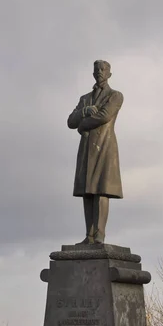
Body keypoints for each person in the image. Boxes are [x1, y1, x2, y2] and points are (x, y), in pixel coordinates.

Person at [67, 60, 124, 244]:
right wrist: (84, 111)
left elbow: (104, 116)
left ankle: (99, 235)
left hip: (104, 147)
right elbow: (70, 121)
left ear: (109, 74)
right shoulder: (85, 99)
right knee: (87, 191)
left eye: (103, 69)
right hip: (86, 149)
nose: (99, 72)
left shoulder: (115, 96)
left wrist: (83, 124)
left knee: (101, 190)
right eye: (96, 70)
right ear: (93, 74)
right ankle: (89, 236)